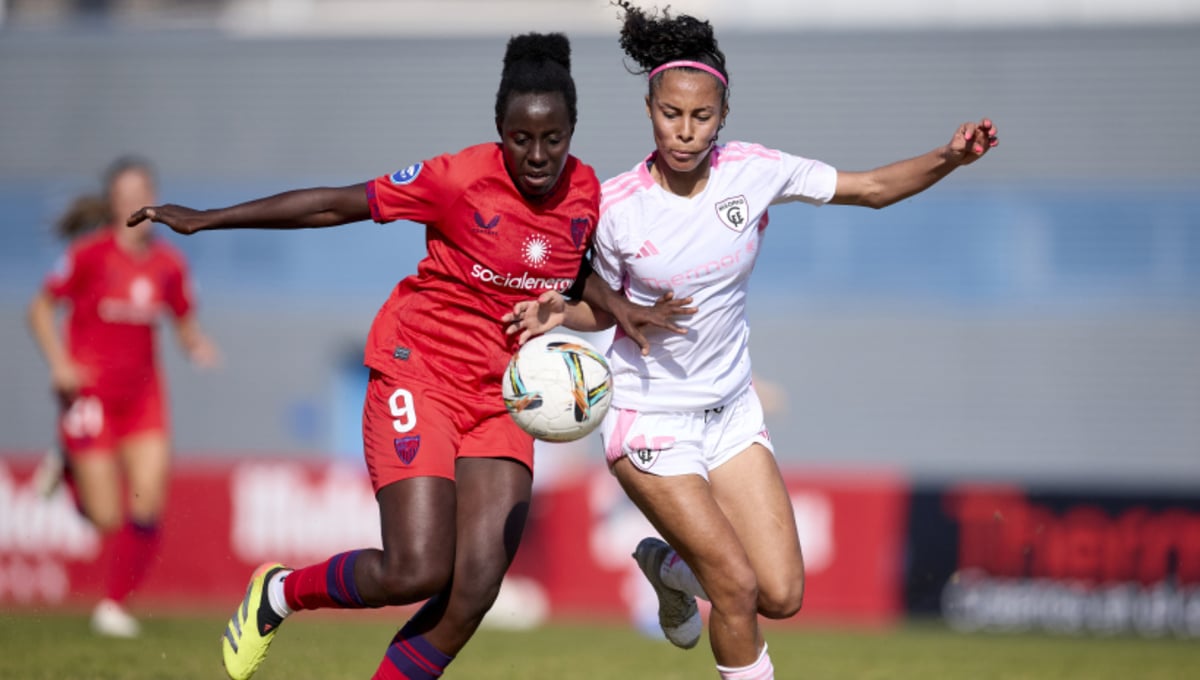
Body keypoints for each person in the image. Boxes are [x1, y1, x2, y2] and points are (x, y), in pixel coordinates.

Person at [127, 33, 688, 680]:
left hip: (507, 396)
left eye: (552, 139)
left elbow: (571, 270)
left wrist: (620, 305)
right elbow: (336, 203)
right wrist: (209, 219)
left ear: (572, 130)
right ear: (498, 130)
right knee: (415, 569)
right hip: (419, 371)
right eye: (519, 138)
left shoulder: (587, 191)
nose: (537, 155)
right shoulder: (456, 179)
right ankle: (279, 592)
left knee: (474, 588)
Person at [504, 3, 999, 678]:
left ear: (723, 115)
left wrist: (950, 157)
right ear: (649, 107)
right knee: (736, 589)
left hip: (732, 413)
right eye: (670, 114)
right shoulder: (615, 207)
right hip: (649, 416)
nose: (684, 131)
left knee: (782, 594)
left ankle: (668, 569)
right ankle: (697, 584)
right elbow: (598, 307)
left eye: (700, 117)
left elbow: (874, 189)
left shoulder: (754, 171)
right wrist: (563, 314)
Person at [26, 156, 219, 638]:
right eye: (127, 190)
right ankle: (68, 464)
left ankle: (113, 606)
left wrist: (195, 344)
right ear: (113, 199)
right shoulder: (89, 255)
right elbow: (39, 309)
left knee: (149, 502)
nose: (135, 198)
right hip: (89, 397)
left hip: (143, 399)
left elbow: (183, 318)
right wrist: (60, 364)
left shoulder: (168, 264)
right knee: (105, 515)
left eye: (143, 189)